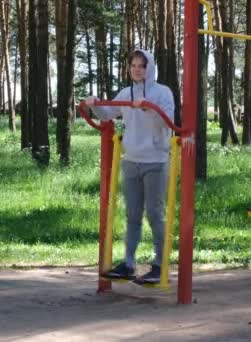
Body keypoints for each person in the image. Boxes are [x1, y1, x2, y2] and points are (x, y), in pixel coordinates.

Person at [85, 49, 175, 284]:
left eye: (141, 66)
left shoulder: (163, 92)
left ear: (150, 68)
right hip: (131, 161)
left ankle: (159, 265)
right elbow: (107, 113)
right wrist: (94, 104)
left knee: (155, 214)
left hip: (156, 161)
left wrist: (148, 107)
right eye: (133, 65)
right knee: (132, 214)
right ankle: (128, 263)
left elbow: (169, 122)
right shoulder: (126, 92)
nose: (137, 69)